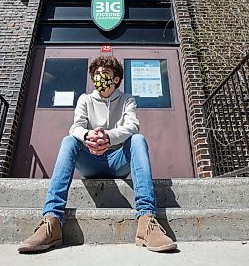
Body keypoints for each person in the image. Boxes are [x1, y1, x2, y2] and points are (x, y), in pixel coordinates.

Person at [18, 56, 177, 253]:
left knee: (137, 139)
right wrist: (88, 135)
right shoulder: (85, 99)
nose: (100, 77)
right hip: (91, 160)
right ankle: (52, 221)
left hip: (118, 160)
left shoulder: (127, 100)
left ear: (116, 79)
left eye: (106, 74)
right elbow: (76, 127)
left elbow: (132, 125)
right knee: (69, 141)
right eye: (97, 74)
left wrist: (109, 137)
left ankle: (146, 220)